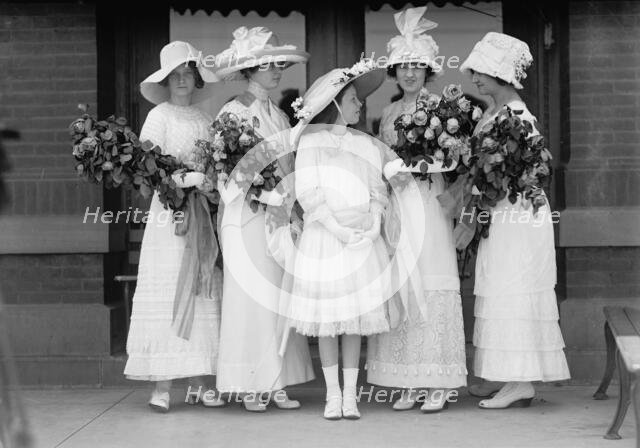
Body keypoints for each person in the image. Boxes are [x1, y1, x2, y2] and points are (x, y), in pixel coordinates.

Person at [459, 32, 570, 409]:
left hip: (516, 217)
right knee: (499, 286)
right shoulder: (495, 113)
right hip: (502, 215)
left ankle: (521, 380)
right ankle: (506, 374)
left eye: (481, 72)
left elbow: (529, 171)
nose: (474, 78)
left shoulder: (517, 116)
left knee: (513, 288)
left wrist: (483, 197)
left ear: (498, 73)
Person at [366, 6, 467, 413]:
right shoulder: (387, 114)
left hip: (431, 200)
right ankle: (408, 380)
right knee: (405, 282)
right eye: (403, 66)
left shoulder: (444, 110)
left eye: (418, 66)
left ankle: (438, 380)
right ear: (394, 71)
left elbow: (458, 157)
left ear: (429, 70)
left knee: (433, 279)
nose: (410, 73)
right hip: (400, 205)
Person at [214, 26, 315, 412]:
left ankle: (275, 382)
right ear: (250, 70)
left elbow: (289, 164)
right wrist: (263, 193)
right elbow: (226, 172)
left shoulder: (275, 112)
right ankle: (250, 383)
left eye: (278, 65)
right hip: (247, 216)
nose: (276, 71)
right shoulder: (234, 111)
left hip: (276, 214)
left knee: (275, 294)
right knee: (250, 297)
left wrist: (290, 202)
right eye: (268, 65)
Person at [123, 41, 225, 413]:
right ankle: (161, 385)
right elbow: (146, 171)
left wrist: (209, 181)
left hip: (200, 214)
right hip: (169, 216)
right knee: (168, 289)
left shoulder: (204, 119)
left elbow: (214, 162)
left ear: (196, 79)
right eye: (176, 75)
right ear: (166, 81)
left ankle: (200, 380)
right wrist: (180, 180)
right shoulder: (158, 116)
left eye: (188, 73)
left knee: (200, 290)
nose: (183, 80)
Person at [286, 62, 389, 420]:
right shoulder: (311, 142)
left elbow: (378, 190)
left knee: (354, 320)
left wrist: (374, 224)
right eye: (351, 99)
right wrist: (338, 230)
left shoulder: (366, 144)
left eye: (358, 100)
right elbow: (308, 192)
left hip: (361, 239)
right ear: (334, 104)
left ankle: (351, 397)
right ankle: (333, 395)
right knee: (329, 320)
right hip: (327, 238)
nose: (359, 105)